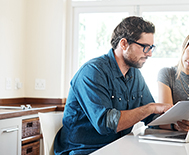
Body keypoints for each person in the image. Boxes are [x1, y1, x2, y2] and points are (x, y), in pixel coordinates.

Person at [54, 16, 173, 155]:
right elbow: (106, 124)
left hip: (118, 147)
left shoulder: (135, 75)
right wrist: (151, 108)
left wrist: (175, 124)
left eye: (151, 47)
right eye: (145, 47)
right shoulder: (92, 72)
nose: (150, 53)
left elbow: (151, 117)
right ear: (123, 44)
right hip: (85, 150)